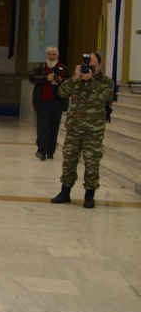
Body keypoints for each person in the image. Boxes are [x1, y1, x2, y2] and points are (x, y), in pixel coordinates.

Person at [50, 51, 114, 208]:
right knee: (69, 161)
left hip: (94, 131)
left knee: (92, 163)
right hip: (74, 128)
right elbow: (62, 92)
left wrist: (90, 80)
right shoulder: (77, 79)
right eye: (87, 65)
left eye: (93, 66)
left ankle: (89, 195)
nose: (89, 68)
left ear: (99, 65)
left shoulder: (106, 81)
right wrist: (74, 78)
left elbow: (107, 96)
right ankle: (65, 192)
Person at [29, 46, 69, 160]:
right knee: (42, 128)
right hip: (42, 103)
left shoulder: (63, 68)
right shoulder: (40, 67)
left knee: (54, 128)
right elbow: (32, 78)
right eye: (49, 54)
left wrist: (61, 80)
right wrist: (46, 78)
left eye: (53, 54)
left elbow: (71, 80)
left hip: (57, 103)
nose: (51, 57)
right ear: (46, 56)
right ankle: (41, 151)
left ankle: (50, 151)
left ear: (57, 56)